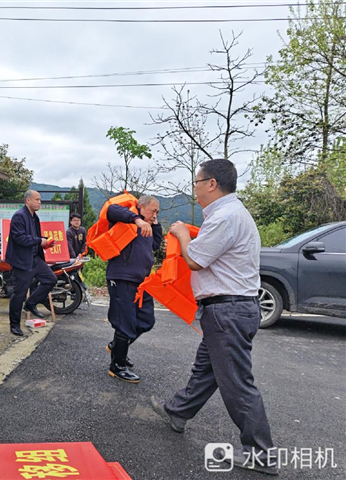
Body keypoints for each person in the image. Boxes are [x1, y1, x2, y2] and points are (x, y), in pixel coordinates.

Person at [151, 159, 277, 476]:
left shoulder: (225, 217)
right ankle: (178, 412)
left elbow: (195, 259)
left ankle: (261, 453)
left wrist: (182, 233)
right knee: (206, 369)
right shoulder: (230, 214)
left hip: (228, 310)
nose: (194, 188)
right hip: (229, 310)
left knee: (237, 383)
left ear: (211, 183)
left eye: (197, 182)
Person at [105, 195, 162, 383]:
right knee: (125, 322)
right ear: (140, 207)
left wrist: (155, 225)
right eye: (153, 211)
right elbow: (111, 210)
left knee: (146, 320)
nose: (155, 215)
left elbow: (155, 245)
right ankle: (117, 366)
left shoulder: (147, 227)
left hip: (141, 282)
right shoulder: (126, 219)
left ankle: (117, 346)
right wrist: (137, 219)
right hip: (122, 278)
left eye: (157, 212)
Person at [5, 190, 57, 337]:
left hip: (35, 258)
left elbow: (35, 237)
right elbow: (19, 238)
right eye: (37, 199)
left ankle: (30, 303)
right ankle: (14, 325)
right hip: (22, 261)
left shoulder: (35, 217)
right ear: (28, 200)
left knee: (51, 279)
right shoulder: (19, 216)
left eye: (40, 200)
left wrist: (45, 242)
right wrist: (40, 241)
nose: (40, 202)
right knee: (19, 294)